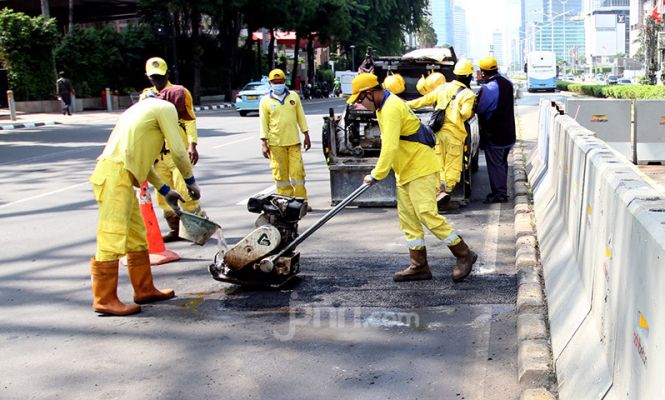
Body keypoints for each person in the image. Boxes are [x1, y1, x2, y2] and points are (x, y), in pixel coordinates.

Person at [348, 73, 477, 282]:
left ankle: (464, 254)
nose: (360, 105)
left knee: (427, 213)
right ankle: (419, 265)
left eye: (360, 99)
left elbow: (389, 146)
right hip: (405, 169)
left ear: (370, 93)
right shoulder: (383, 106)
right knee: (408, 220)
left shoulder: (390, 108)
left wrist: (376, 175)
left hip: (420, 168)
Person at [88, 97, 201, 316]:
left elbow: (142, 162)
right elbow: (178, 151)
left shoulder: (143, 109)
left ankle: (144, 289)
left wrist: (166, 191)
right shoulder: (166, 108)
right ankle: (105, 298)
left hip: (122, 175)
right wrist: (190, 181)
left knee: (138, 238)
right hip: (115, 176)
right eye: (181, 115)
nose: (179, 120)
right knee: (111, 238)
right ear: (178, 104)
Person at [141, 57, 204, 241]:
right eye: (153, 77)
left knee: (185, 191)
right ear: (148, 77)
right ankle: (175, 229)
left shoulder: (179, 93)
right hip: (157, 156)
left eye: (160, 76)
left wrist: (193, 144)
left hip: (177, 152)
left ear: (167, 73)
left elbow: (189, 119)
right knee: (163, 196)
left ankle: (199, 227)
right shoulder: (146, 96)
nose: (157, 80)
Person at [407, 61, 476, 202]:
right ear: (469, 76)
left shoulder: (442, 88)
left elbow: (423, 101)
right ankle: (445, 191)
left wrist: (404, 104)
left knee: (439, 164)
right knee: (453, 167)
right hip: (455, 135)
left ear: (455, 74)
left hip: (438, 134)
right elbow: (465, 114)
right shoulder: (468, 94)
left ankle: (438, 190)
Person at [259, 68, 311, 206]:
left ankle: (301, 201)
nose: (278, 84)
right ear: (270, 83)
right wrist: (264, 143)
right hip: (276, 144)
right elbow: (263, 123)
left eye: (280, 81)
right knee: (280, 175)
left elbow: (301, 116)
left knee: (298, 173)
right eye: (275, 82)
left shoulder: (293, 96)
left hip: (294, 142)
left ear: (284, 81)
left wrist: (306, 134)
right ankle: (285, 202)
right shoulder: (265, 101)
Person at [474, 56, 516, 204]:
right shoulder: (507, 83)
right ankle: (501, 190)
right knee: (502, 163)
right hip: (509, 133)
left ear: (483, 72)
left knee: (496, 165)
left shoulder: (489, 88)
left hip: (495, 134)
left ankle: (500, 193)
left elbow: (480, 108)